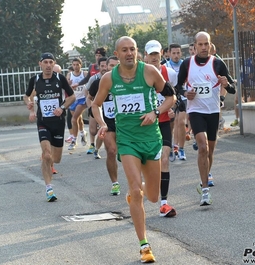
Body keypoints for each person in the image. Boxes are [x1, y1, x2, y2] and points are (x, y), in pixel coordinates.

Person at [91, 36, 176, 263]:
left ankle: (136, 193)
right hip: (127, 140)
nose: (129, 53)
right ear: (116, 54)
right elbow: (95, 104)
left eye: (133, 49)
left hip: (151, 138)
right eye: (124, 50)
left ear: (137, 52)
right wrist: (102, 123)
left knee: (153, 195)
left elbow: (171, 96)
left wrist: (155, 113)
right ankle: (144, 246)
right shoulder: (109, 79)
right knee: (137, 190)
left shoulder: (149, 72)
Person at [178, 32, 236, 206]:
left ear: (210, 45)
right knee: (202, 146)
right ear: (194, 46)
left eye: (206, 44)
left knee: (209, 151)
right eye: (200, 44)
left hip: (213, 112)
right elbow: (177, 87)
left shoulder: (218, 63)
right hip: (196, 111)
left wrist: (226, 85)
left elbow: (232, 88)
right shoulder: (187, 64)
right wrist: (184, 93)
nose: (204, 47)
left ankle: (203, 180)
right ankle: (205, 190)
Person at [23, 52, 75, 202]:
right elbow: (27, 96)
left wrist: (62, 108)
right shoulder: (35, 80)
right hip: (43, 122)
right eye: (45, 62)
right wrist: (30, 106)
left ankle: (50, 160)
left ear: (54, 64)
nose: (48, 65)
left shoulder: (60, 79)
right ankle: (49, 188)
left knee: (55, 159)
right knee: (46, 155)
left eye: (50, 62)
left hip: (58, 122)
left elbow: (71, 96)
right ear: (40, 64)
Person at [144, 40, 177, 217]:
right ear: (145, 56)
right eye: (151, 55)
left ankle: (164, 204)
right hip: (146, 125)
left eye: (157, 55)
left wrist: (171, 108)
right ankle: (138, 189)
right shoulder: (140, 74)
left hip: (163, 122)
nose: (154, 58)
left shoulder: (169, 73)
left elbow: (174, 95)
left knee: (164, 158)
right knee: (150, 166)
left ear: (161, 55)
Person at [88, 56, 121, 195]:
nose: (114, 68)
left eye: (116, 65)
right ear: (106, 67)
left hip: (125, 122)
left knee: (127, 153)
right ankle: (115, 183)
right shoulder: (99, 83)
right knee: (112, 151)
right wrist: (99, 120)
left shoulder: (126, 82)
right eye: (111, 65)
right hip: (108, 123)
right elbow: (91, 99)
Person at [165, 43, 186, 161]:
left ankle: (181, 149)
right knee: (171, 124)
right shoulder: (165, 66)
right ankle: (172, 146)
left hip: (183, 97)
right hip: (170, 98)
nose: (176, 55)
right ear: (169, 53)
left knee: (182, 122)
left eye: (178, 53)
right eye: (173, 53)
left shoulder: (185, 64)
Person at [85, 57, 107, 158]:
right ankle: (93, 144)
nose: (104, 68)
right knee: (93, 131)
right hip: (96, 107)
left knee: (103, 130)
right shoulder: (95, 80)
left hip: (108, 110)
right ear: (99, 67)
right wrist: (91, 108)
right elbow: (88, 96)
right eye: (102, 66)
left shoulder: (115, 80)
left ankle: (96, 149)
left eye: (106, 66)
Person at [66, 58, 88, 150]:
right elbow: (66, 87)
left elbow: (90, 82)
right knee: (78, 119)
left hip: (83, 99)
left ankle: (74, 141)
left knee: (74, 119)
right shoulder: (69, 75)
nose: (75, 66)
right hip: (73, 99)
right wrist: (68, 84)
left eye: (77, 64)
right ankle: (83, 133)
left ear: (80, 65)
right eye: (74, 65)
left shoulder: (85, 74)